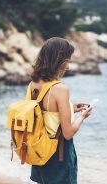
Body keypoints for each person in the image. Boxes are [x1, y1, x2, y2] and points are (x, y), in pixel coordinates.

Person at [29, 37, 93, 184]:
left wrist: (71, 108)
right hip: (58, 154)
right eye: (67, 61)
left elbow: (44, 112)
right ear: (58, 60)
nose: (68, 66)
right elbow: (68, 133)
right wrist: (83, 117)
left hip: (39, 150)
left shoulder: (34, 83)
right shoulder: (60, 88)